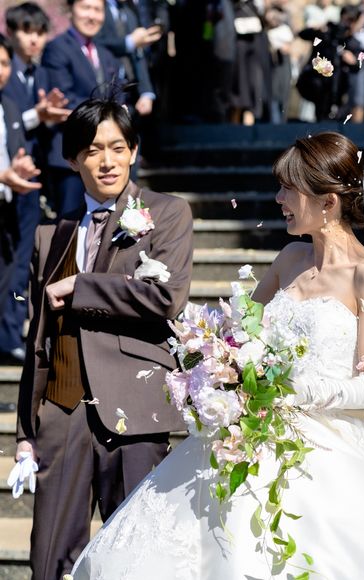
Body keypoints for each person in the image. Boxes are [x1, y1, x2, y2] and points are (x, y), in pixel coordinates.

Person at [70, 132, 364, 579]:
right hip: (247, 427)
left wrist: (302, 391)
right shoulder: (289, 259)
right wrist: (216, 359)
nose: (278, 199)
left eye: (288, 189)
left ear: (327, 202)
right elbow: (239, 334)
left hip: (320, 437)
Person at [15, 96, 194, 579]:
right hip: (62, 412)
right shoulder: (51, 235)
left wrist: (82, 286)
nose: (107, 161)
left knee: (136, 562)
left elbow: (166, 297)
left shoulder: (167, 213)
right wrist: (28, 431)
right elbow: (38, 339)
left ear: (133, 151)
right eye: (93, 150)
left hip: (133, 409)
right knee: (49, 562)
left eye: (117, 147)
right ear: (73, 159)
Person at [0, 2, 71, 366]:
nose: (33, 40)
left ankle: (12, 332)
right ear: (11, 33)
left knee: (23, 258)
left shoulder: (39, 72)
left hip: (30, 179)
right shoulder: (7, 73)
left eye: (40, 32)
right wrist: (38, 116)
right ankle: (7, 335)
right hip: (9, 177)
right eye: (26, 31)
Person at [42, 0, 121, 217]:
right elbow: (64, 97)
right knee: (70, 225)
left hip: (107, 157)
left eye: (98, 10)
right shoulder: (57, 48)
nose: (92, 16)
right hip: (72, 155)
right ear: (71, 10)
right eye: (86, 8)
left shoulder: (105, 53)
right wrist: (108, 114)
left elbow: (118, 92)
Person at [0, 32, 42, 405]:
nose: (0, 71)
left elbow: (14, 153)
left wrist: (20, 167)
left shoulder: (9, 105)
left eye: (3, 63)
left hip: (7, 209)